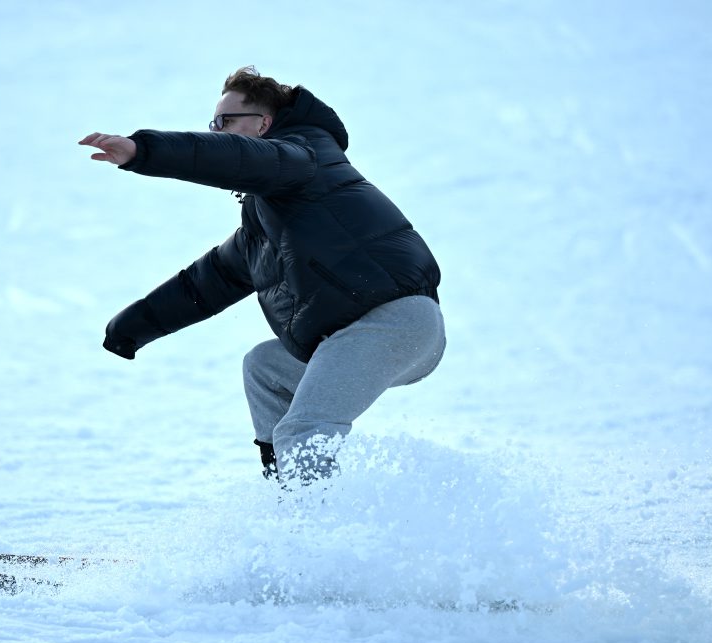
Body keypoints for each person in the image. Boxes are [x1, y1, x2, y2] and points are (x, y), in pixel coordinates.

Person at [78, 66, 444, 484]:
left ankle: (317, 531)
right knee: (266, 367)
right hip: (357, 339)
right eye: (212, 123)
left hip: (394, 322)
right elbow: (204, 282)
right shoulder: (262, 227)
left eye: (225, 122)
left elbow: (237, 157)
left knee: (304, 428)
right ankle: (288, 508)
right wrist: (130, 329)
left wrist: (143, 151)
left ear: (264, 124)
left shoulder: (304, 157)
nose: (217, 132)